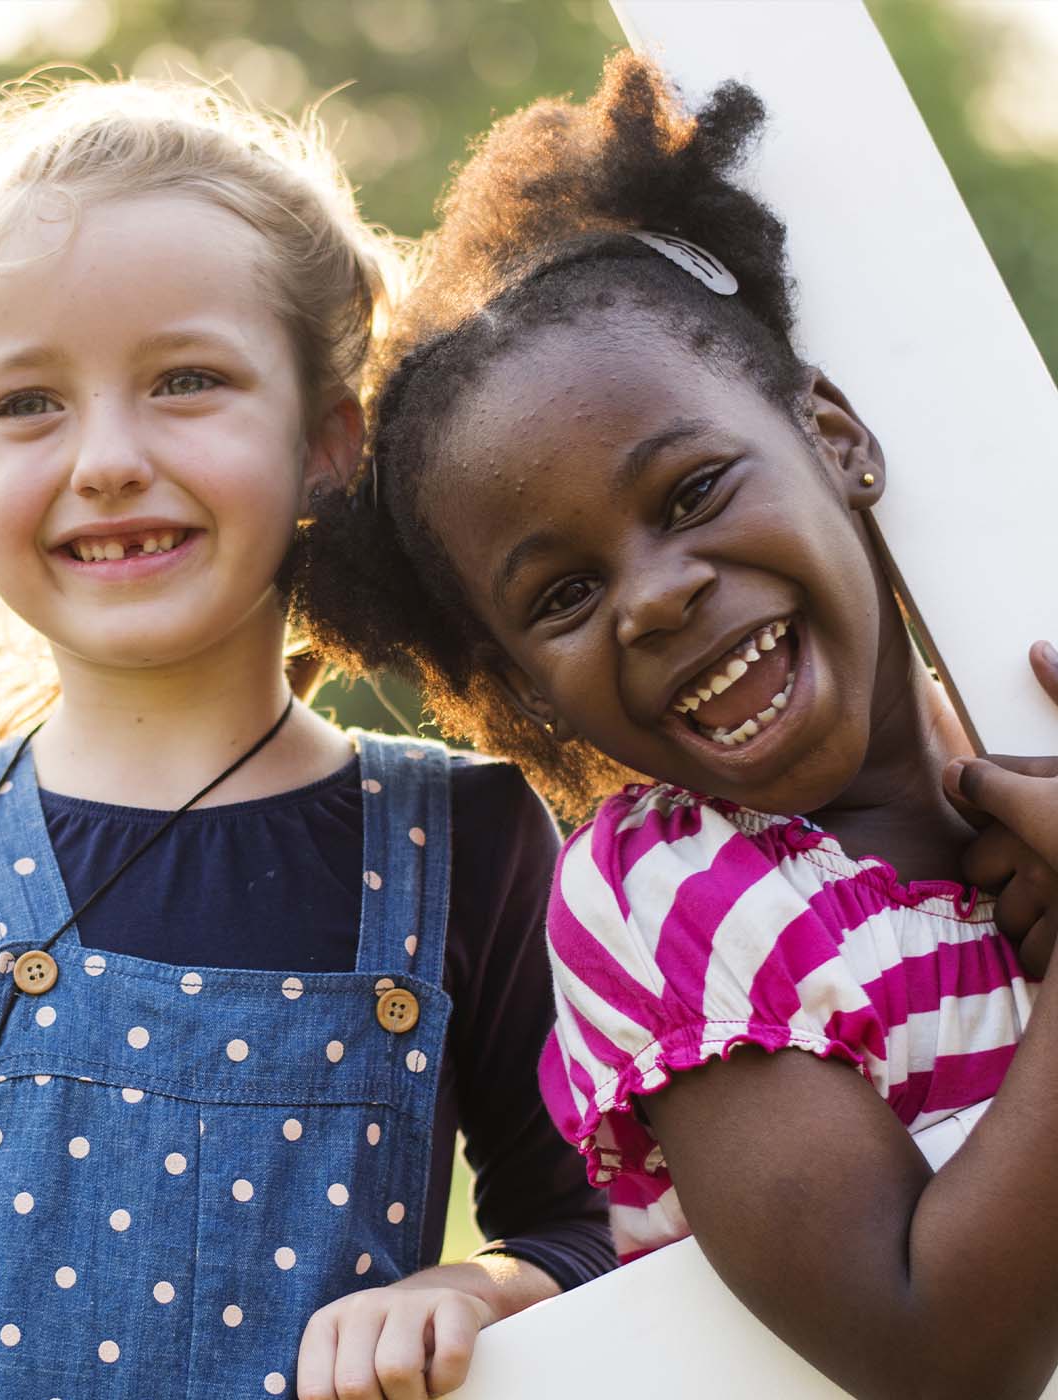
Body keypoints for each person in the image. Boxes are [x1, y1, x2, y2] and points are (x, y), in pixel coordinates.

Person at [0, 75, 615, 1400]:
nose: (105, 456)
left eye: (185, 380)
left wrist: (486, 1282)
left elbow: (593, 1231)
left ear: (328, 445)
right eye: (28, 403)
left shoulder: (479, 842)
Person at [295, 52, 1058, 1400]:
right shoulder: (676, 897)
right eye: (566, 594)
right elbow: (931, 1344)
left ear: (833, 437)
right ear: (523, 686)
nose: (655, 599)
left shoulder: (1018, 735)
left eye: (695, 490)